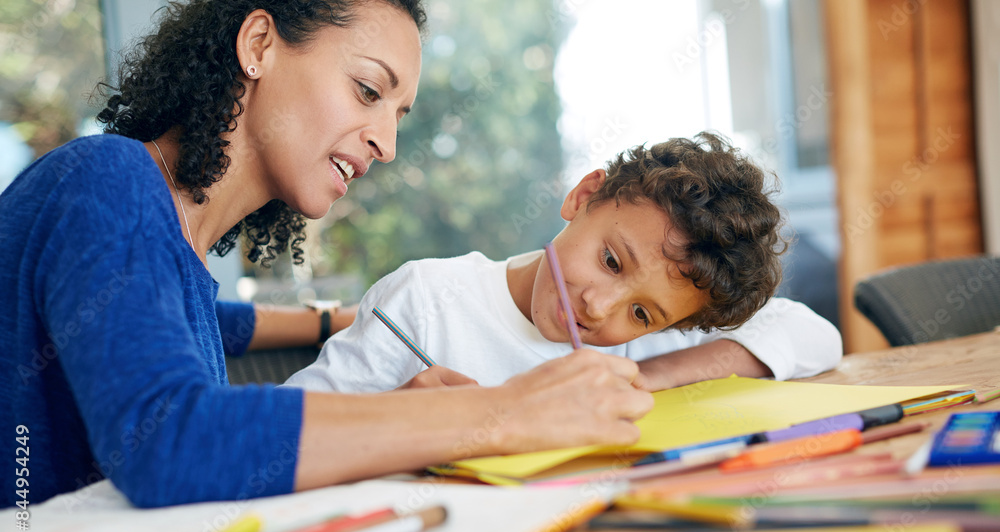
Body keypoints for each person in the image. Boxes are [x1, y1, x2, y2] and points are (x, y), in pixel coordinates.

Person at [0, 0, 654, 510]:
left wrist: (339, 328)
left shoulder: (179, 255)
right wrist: (494, 414)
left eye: (400, 113)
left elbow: (217, 322)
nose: (387, 143)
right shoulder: (104, 177)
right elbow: (168, 438)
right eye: (369, 91)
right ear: (259, 46)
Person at [286, 134, 843, 393]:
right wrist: (404, 418)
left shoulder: (642, 348)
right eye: (609, 260)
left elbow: (815, 334)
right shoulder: (428, 300)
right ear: (583, 196)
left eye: (644, 315)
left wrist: (651, 376)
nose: (598, 308)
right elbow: (285, 429)